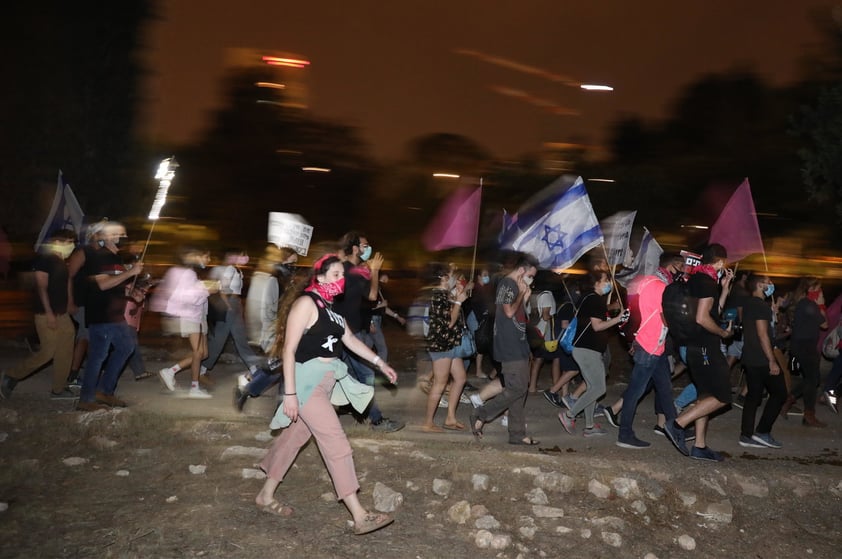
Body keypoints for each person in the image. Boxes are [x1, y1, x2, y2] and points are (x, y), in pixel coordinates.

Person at [255, 254, 396, 535]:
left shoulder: (332, 310)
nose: (339, 280)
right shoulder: (306, 303)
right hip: (307, 384)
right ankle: (359, 514)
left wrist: (381, 363)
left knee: (294, 438)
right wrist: (291, 394)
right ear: (319, 277)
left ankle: (265, 495)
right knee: (336, 442)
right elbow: (289, 350)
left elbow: (352, 341)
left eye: (342, 275)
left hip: (326, 383)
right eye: (334, 274)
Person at [663, 244, 735, 462]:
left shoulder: (695, 279)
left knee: (705, 395)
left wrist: (724, 289)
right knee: (723, 396)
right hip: (705, 346)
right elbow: (702, 318)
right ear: (720, 262)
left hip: (692, 345)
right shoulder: (706, 283)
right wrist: (723, 332)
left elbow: (713, 311)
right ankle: (677, 424)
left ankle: (700, 446)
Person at [335, 231, 404, 432]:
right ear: (355, 248)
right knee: (365, 375)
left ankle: (353, 408)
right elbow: (373, 296)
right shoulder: (353, 272)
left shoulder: (344, 269)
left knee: (343, 375)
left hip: (341, 332)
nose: (368, 249)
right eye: (365, 246)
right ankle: (376, 420)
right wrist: (374, 270)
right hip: (348, 335)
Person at [470, 253, 541, 446]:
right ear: (521, 271)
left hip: (518, 345)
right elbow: (509, 311)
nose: (531, 280)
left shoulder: (515, 286)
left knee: (520, 389)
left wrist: (525, 298)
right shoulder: (509, 285)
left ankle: (517, 434)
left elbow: (517, 318)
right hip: (509, 346)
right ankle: (481, 413)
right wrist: (520, 293)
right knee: (516, 388)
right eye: (530, 275)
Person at [0, 230, 77, 400]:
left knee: (65, 350)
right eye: (69, 242)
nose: (72, 245)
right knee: (48, 352)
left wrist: (69, 302)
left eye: (73, 242)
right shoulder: (45, 260)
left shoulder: (61, 261)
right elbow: (41, 287)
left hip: (62, 313)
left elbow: (65, 284)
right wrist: (49, 313)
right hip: (45, 313)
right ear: (57, 242)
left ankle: (58, 389)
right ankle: (11, 375)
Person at [76, 222, 145, 411]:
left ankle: (104, 391)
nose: (122, 236)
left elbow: (116, 285)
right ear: (105, 237)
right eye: (117, 233)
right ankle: (86, 399)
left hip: (115, 314)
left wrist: (132, 293)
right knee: (98, 356)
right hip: (102, 314)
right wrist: (131, 272)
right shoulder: (98, 257)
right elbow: (103, 285)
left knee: (126, 347)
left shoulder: (114, 258)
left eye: (123, 233)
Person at [557, 271, 629, 438]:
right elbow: (597, 326)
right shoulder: (594, 299)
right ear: (596, 282)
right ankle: (569, 415)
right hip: (587, 349)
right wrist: (618, 319)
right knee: (599, 388)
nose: (608, 283)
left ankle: (589, 426)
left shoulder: (588, 298)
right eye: (605, 280)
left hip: (585, 349)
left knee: (592, 388)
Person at [154, 246, 217, 399]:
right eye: (205, 256)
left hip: (197, 315)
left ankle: (170, 371)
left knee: (203, 353)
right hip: (190, 315)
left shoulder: (186, 272)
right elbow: (188, 298)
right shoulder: (187, 273)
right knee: (198, 353)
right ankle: (194, 388)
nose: (207, 260)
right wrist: (207, 290)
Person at [738, 273, 786, 448]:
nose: (771, 284)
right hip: (761, 358)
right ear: (759, 285)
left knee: (753, 396)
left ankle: (746, 435)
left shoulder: (750, 304)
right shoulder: (760, 306)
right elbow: (762, 334)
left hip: (750, 356)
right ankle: (763, 431)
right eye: (768, 282)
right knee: (780, 393)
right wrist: (772, 360)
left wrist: (772, 313)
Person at [421, 263, 468, 432]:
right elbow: (450, 322)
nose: (453, 278)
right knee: (440, 383)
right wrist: (458, 302)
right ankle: (428, 423)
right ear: (443, 277)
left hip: (450, 343)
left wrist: (457, 298)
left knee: (461, 378)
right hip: (442, 344)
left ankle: (450, 418)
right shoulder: (438, 295)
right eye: (450, 275)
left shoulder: (444, 294)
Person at [201, 248, 261, 379]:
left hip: (234, 304)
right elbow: (223, 289)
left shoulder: (237, 270)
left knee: (239, 337)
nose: (246, 258)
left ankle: (254, 367)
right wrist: (229, 306)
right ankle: (203, 368)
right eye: (243, 255)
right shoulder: (230, 269)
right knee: (219, 339)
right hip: (230, 305)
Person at [783, 276, 828, 427]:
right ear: (810, 290)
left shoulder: (802, 303)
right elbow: (825, 325)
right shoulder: (810, 305)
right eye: (818, 289)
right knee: (812, 379)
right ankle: (809, 415)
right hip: (805, 347)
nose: (820, 291)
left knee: (812, 378)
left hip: (800, 345)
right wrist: (821, 305)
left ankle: (789, 399)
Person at [245, 244, 298, 354]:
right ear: (282, 262)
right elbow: (268, 311)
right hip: (273, 333)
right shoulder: (273, 281)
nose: (294, 266)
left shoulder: (286, 281)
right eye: (291, 262)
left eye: (295, 263)